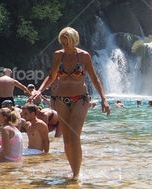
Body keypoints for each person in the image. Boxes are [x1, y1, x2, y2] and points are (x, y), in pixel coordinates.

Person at [31, 27, 110, 179]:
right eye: (62, 43)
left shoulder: (84, 56)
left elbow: (94, 78)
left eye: (67, 43)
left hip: (80, 98)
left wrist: (104, 99)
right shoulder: (57, 56)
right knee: (67, 141)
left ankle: (76, 174)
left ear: (74, 41)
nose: (64, 46)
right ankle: (73, 171)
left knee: (75, 136)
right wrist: (39, 90)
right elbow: (52, 76)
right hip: (60, 99)